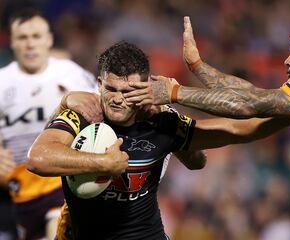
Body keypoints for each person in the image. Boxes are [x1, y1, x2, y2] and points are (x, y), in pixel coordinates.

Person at [123, 17, 290, 239]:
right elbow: (247, 118)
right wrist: (197, 66)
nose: (286, 61)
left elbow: (247, 105)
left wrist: (175, 93)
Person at [26, 41, 270, 240]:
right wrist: (103, 164)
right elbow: (38, 159)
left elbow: (238, 132)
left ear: (146, 87)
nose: (118, 99)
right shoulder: (85, 113)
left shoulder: (161, 118)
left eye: (129, 91)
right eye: (112, 89)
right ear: (99, 85)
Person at [0, 8, 96, 240]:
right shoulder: (2, 83)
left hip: (62, 177)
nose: (30, 44)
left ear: (49, 39)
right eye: (23, 38)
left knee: (58, 223)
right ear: (12, 42)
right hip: (16, 186)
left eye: (36, 37)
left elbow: (101, 119)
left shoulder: (73, 76)